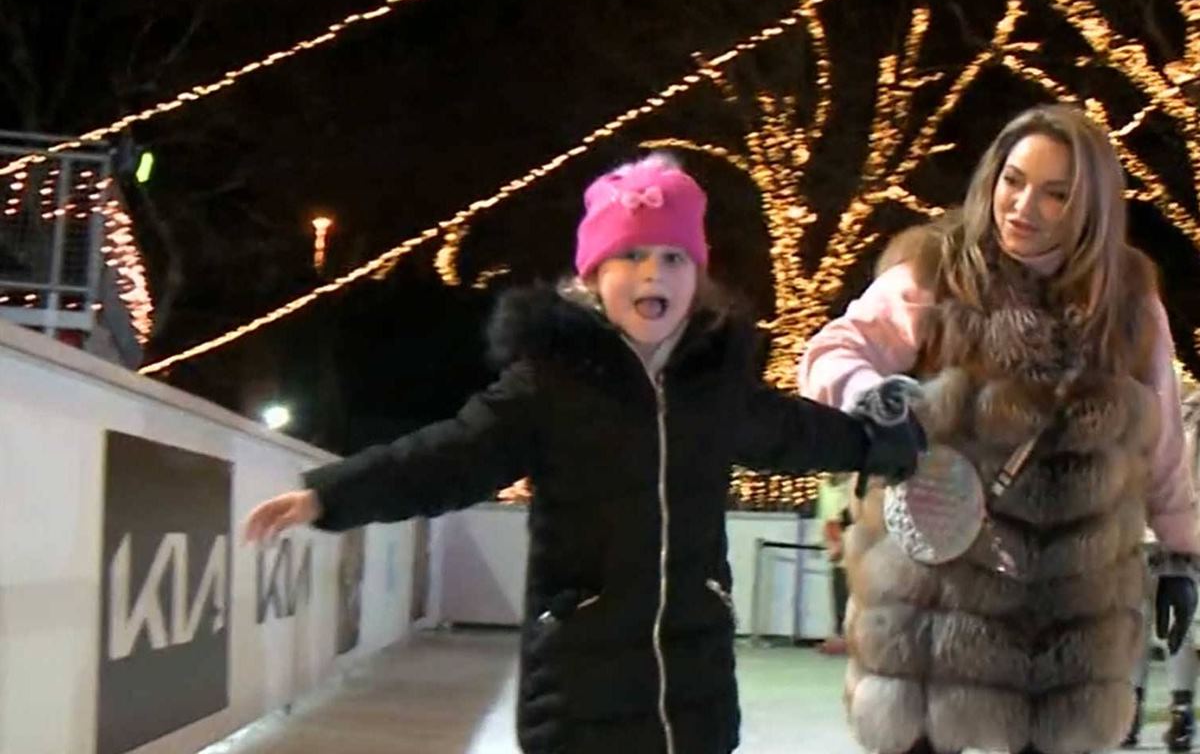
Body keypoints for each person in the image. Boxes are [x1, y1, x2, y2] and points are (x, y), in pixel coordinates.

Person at [243, 153, 925, 754]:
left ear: (697, 277)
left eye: (674, 258)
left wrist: (880, 445)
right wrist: (334, 493)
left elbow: (796, 432)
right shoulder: (551, 384)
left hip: (694, 680)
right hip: (580, 679)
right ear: (594, 275)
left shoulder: (713, 387)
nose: (653, 272)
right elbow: (449, 456)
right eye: (631, 256)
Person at [798, 104, 1200, 754]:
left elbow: (1163, 447)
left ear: (1091, 208)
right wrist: (873, 397)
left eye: (1055, 193)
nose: (1022, 206)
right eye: (1013, 180)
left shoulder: (1126, 303)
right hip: (935, 613)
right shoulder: (938, 270)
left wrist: (1180, 556)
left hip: (1063, 626)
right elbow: (834, 351)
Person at [1124, 388, 1200, 752]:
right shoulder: (1171, 406)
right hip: (1151, 527)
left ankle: (1177, 711)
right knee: (1143, 618)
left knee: (1173, 623)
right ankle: (1139, 709)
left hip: (1177, 528)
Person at [817, 471, 855, 655]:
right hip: (839, 553)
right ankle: (842, 634)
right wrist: (831, 543)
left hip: (856, 550)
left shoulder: (857, 483)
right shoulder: (825, 487)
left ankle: (854, 638)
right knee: (840, 594)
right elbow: (827, 520)